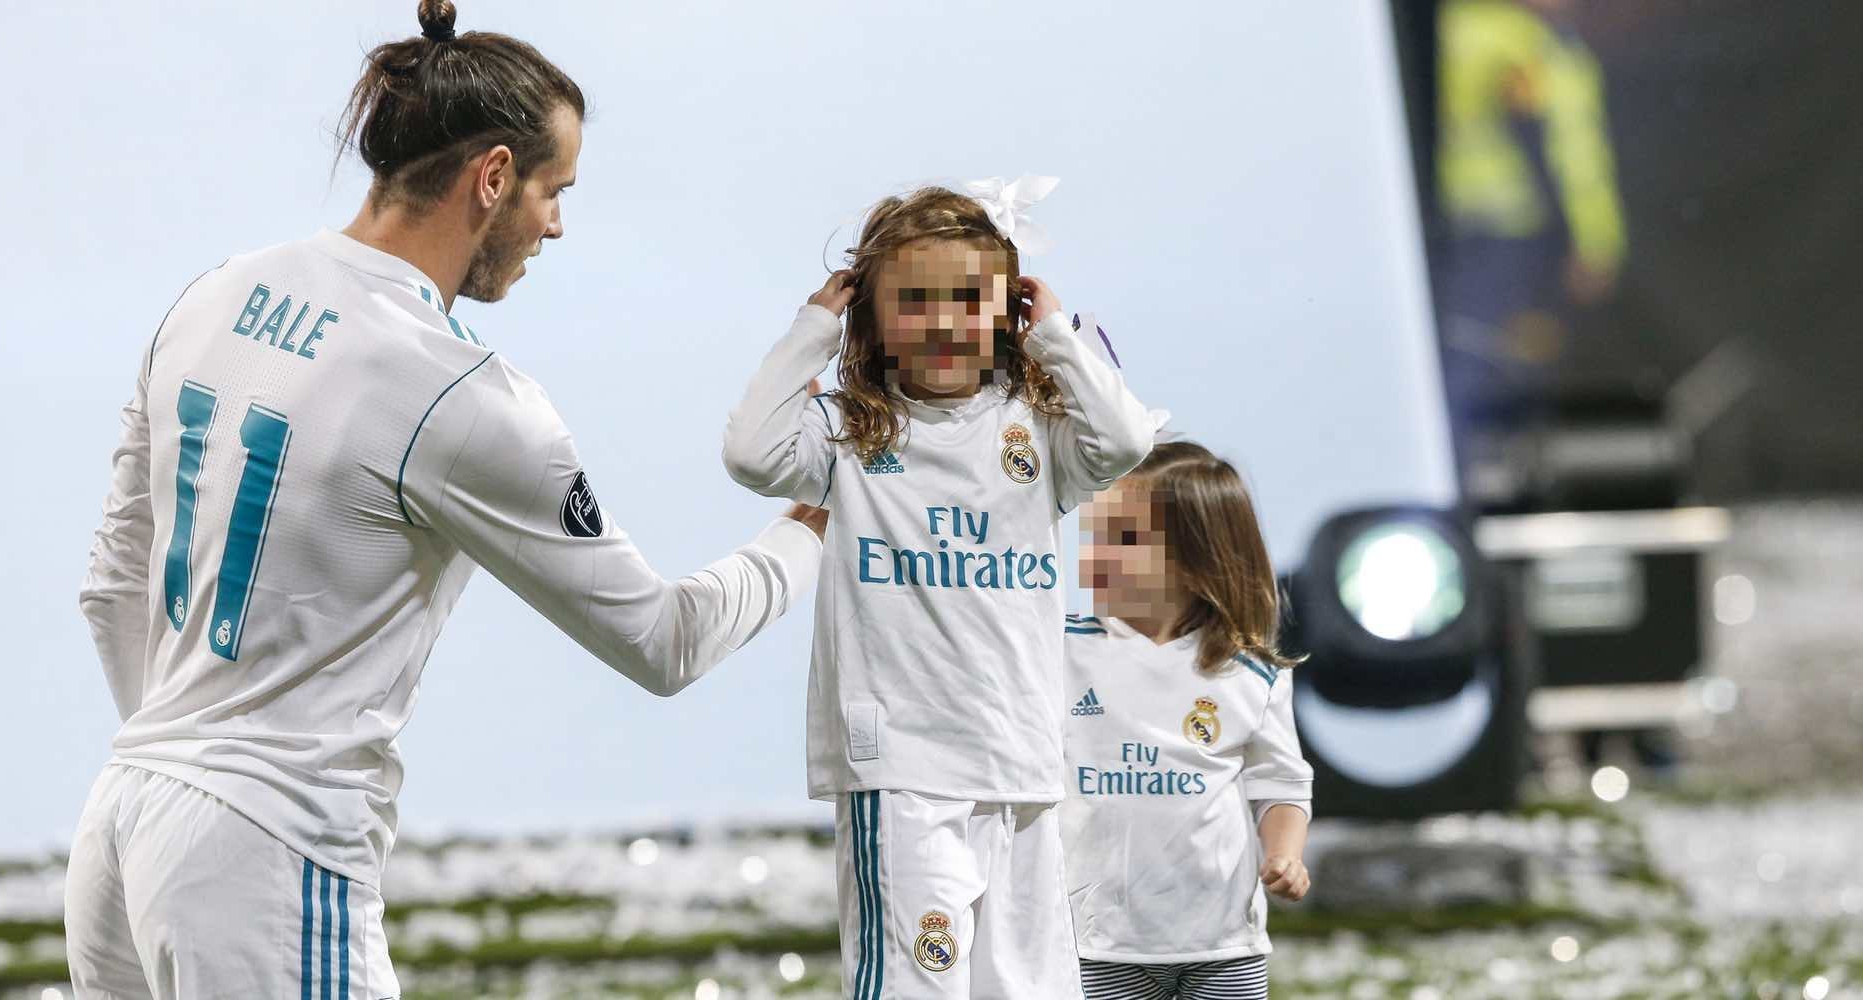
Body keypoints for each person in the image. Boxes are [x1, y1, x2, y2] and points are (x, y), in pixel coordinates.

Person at [64, 3, 824, 995]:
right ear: (493, 176)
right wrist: (808, 530)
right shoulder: (457, 391)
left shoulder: (214, 292)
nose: (556, 222)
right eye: (553, 190)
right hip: (267, 858)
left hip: (119, 829)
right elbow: (664, 639)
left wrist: (186, 766)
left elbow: (112, 586)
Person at [722, 183, 1155, 998]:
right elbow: (750, 450)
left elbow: (1126, 439)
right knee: (916, 987)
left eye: (967, 298)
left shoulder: (1036, 427)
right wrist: (814, 327)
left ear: (1008, 307)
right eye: (914, 301)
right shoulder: (850, 430)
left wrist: (1056, 336)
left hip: (1022, 759)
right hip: (904, 766)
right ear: (871, 316)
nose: (945, 321)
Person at [1061, 441, 1312, 1000]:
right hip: (1098, 944)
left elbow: (1281, 786)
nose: (1094, 556)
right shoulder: (1060, 652)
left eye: (1124, 540)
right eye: (1092, 536)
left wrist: (1285, 854)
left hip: (1223, 948)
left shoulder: (1253, 675)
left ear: (1199, 560)